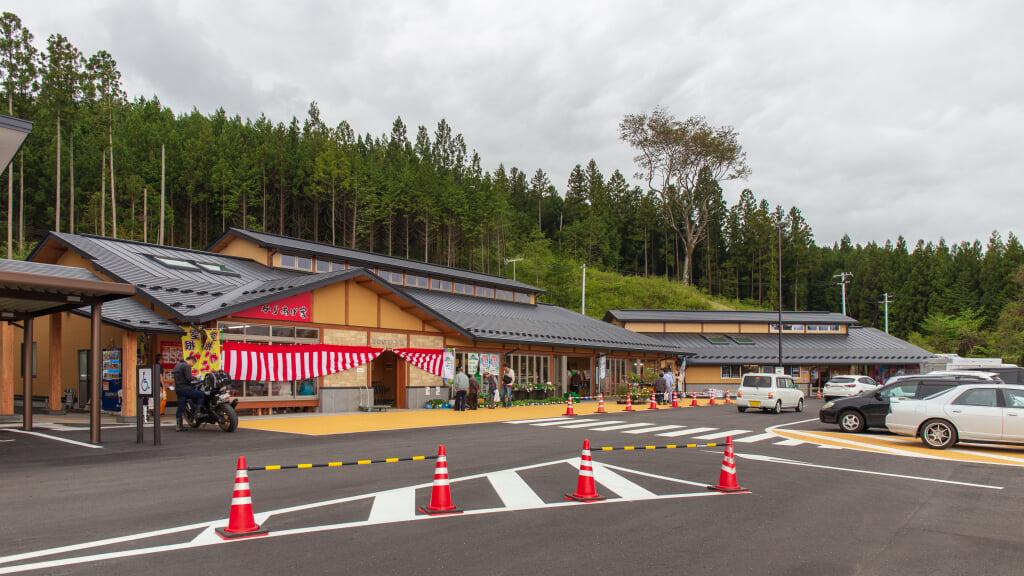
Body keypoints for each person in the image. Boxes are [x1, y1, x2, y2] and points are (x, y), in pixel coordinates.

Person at [173, 355, 205, 431]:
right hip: (186, 388)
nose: (192, 365)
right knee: (202, 395)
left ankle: (179, 425)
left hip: (179, 389)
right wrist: (196, 378)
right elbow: (188, 378)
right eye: (193, 364)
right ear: (191, 361)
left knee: (180, 407)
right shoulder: (186, 366)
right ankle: (198, 411)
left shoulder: (177, 366)